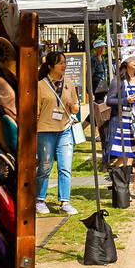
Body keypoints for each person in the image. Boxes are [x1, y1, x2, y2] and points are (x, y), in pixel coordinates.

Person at [36, 51, 80, 217]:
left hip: (65, 129)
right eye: (60, 63)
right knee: (45, 167)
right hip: (46, 130)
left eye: (65, 62)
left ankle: (65, 201)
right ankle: (40, 199)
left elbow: (75, 106)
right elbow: (36, 110)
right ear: (50, 66)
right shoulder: (40, 85)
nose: (64, 65)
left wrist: (72, 106)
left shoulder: (68, 83)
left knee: (65, 167)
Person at [106, 50, 135, 200]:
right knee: (127, 156)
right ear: (125, 62)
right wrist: (126, 100)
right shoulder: (118, 81)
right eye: (132, 58)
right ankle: (122, 186)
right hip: (124, 122)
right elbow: (109, 101)